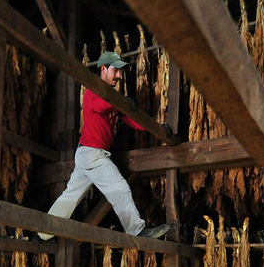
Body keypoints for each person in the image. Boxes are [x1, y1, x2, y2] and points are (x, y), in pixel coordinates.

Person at [39, 51, 171, 241]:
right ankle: (136, 230)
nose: (119, 76)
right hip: (93, 154)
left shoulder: (112, 98)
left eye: (119, 72)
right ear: (103, 69)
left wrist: (158, 129)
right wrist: (122, 102)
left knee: (70, 196)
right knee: (120, 188)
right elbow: (100, 106)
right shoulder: (93, 91)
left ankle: (42, 234)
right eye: (115, 71)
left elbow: (132, 120)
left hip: (87, 154)